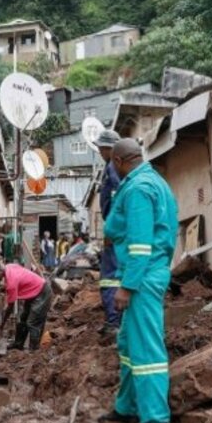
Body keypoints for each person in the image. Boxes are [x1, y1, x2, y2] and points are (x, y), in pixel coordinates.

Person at [98, 138, 179, 423]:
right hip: (145, 274)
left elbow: (141, 245)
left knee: (146, 352)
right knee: (129, 345)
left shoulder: (138, 189)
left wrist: (127, 286)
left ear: (118, 161)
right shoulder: (153, 181)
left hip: (142, 279)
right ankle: (127, 407)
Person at [0, 261, 53, 351]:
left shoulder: (11, 283)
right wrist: (5, 286)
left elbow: (10, 307)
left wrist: (3, 324)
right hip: (33, 292)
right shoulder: (9, 266)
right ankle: (18, 344)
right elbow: (20, 276)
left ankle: (34, 349)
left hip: (42, 292)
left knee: (33, 322)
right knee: (22, 319)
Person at [95, 130, 123, 339]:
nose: (98, 151)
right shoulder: (110, 166)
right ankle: (113, 321)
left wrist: (112, 229)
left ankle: (114, 323)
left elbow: (118, 196)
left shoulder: (114, 167)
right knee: (110, 278)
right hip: (114, 228)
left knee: (110, 279)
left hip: (114, 230)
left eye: (101, 147)